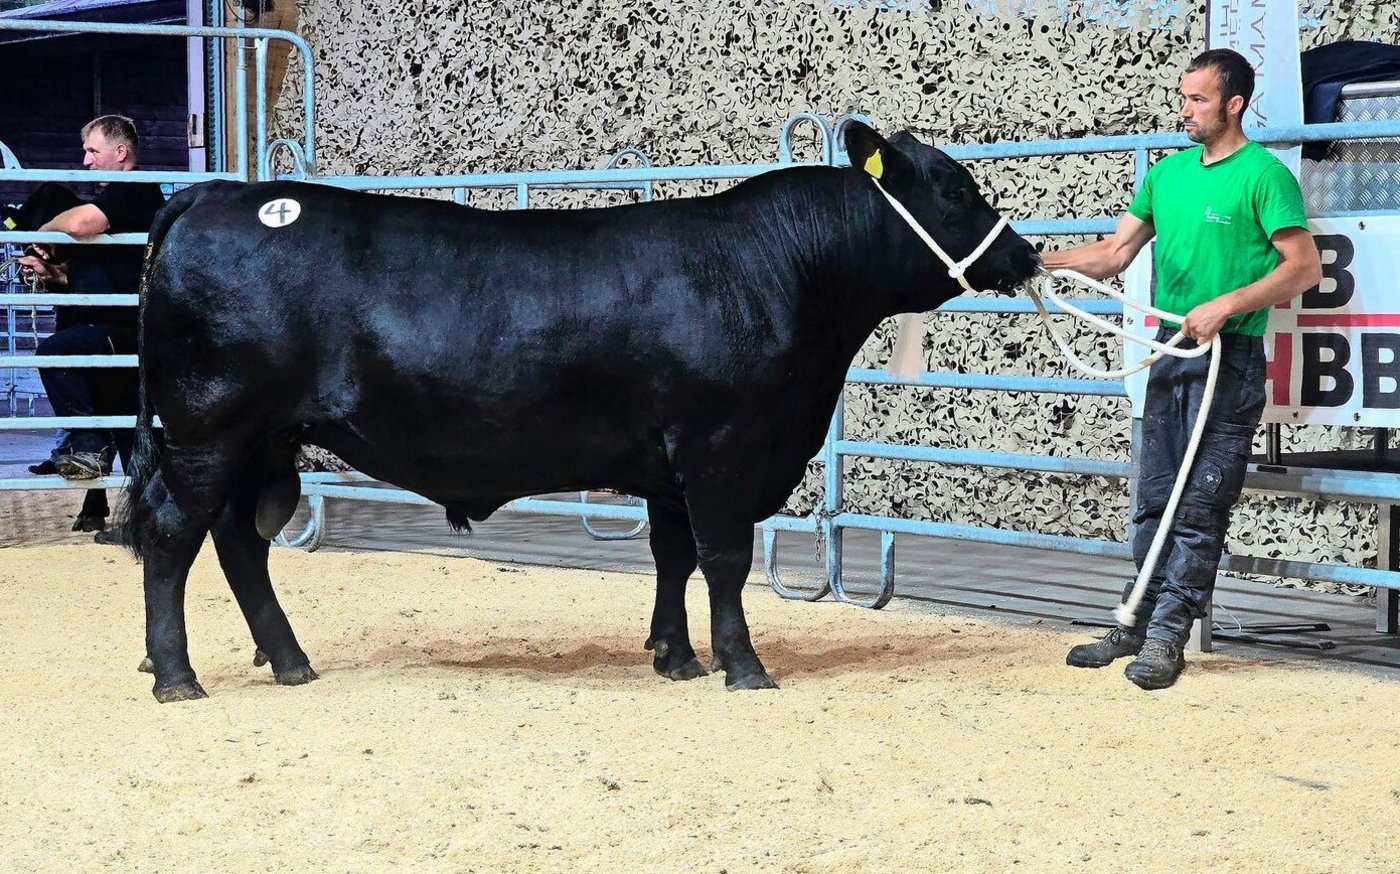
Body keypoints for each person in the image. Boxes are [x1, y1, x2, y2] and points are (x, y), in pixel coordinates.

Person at [1042, 49, 1323, 690]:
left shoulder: (1263, 176)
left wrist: (1228, 304)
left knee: (1200, 503)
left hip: (1231, 358)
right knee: (1154, 496)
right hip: (1171, 354)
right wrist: (1043, 261)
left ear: (1234, 104)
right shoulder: (1167, 175)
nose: (1186, 109)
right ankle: (1135, 621)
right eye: (1183, 96)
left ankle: (1169, 636)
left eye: (1198, 99)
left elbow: (1303, 269)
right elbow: (1114, 254)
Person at [17, 116, 165, 541]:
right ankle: (146, 522)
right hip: (109, 321)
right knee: (127, 426)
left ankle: (85, 446)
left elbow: (81, 225)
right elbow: (106, 275)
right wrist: (53, 273)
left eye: (93, 152)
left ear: (121, 153)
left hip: (121, 326)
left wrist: (41, 229)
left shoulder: (132, 189)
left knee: (55, 353)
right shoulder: (117, 197)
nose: (85, 162)